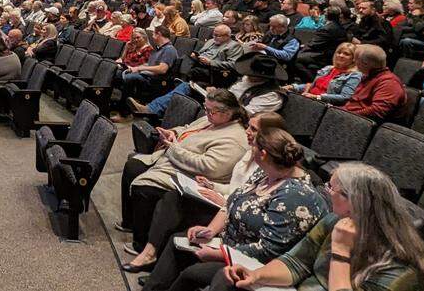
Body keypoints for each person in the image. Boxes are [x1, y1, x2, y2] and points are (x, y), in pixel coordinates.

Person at [139, 128, 327, 291]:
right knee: (178, 241)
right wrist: (210, 230)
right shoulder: (266, 171)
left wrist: (219, 253)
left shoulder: (295, 196)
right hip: (228, 243)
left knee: (192, 273)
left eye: (253, 146)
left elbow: (268, 250)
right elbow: (232, 203)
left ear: (262, 154)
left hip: (255, 264)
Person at [218, 163, 424, 291]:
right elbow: (296, 262)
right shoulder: (334, 220)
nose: (326, 192)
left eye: (331, 188)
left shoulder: (401, 264)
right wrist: (257, 276)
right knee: (225, 282)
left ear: (353, 200)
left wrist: (341, 250)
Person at [123, 112, 287, 273]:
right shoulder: (250, 152)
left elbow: (251, 202)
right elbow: (236, 186)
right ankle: (150, 254)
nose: (247, 131)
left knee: (174, 209)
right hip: (224, 201)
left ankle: (151, 258)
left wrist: (224, 200)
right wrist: (213, 186)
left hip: (229, 213)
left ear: (269, 135)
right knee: (173, 197)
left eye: (253, 129)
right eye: (249, 126)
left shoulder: (266, 162)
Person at [117, 88, 250, 253]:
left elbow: (208, 167)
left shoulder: (234, 139)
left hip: (192, 176)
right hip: (174, 160)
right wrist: (172, 132)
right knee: (133, 166)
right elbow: (188, 128)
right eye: (205, 108)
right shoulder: (212, 119)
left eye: (211, 111)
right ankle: (130, 223)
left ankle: (142, 243)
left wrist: (173, 148)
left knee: (145, 188)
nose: (206, 113)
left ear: (227, 113)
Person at [117, 26, 179, 118]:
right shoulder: (159, 49)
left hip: (158, 81)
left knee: (130, 78)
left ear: (159, 34)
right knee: (119, 74)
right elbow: (149, 65)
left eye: (153, 34)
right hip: (149, 76)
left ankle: (124, 114)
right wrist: (136, 68)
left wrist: (140, 68)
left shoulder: (169, 50)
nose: (152, 37)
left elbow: (162, 69)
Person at [342, 44, 406, 122]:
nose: (353, 61)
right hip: (349, 116)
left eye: (356, 59)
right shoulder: (368, 76)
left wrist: (345, 115)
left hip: (359, 123)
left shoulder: (389, 82)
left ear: (365, 64)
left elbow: (377, 112)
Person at [284, 43, 362, 105]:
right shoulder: (328, 68)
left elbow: (344, 97)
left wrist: (317, 97)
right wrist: (293, 87)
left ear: (353, 59)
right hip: (308, 98)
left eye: (346, 54)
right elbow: (313, 86)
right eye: (339, 52)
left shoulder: (354, 75)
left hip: (323, 105)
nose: (341, 55)